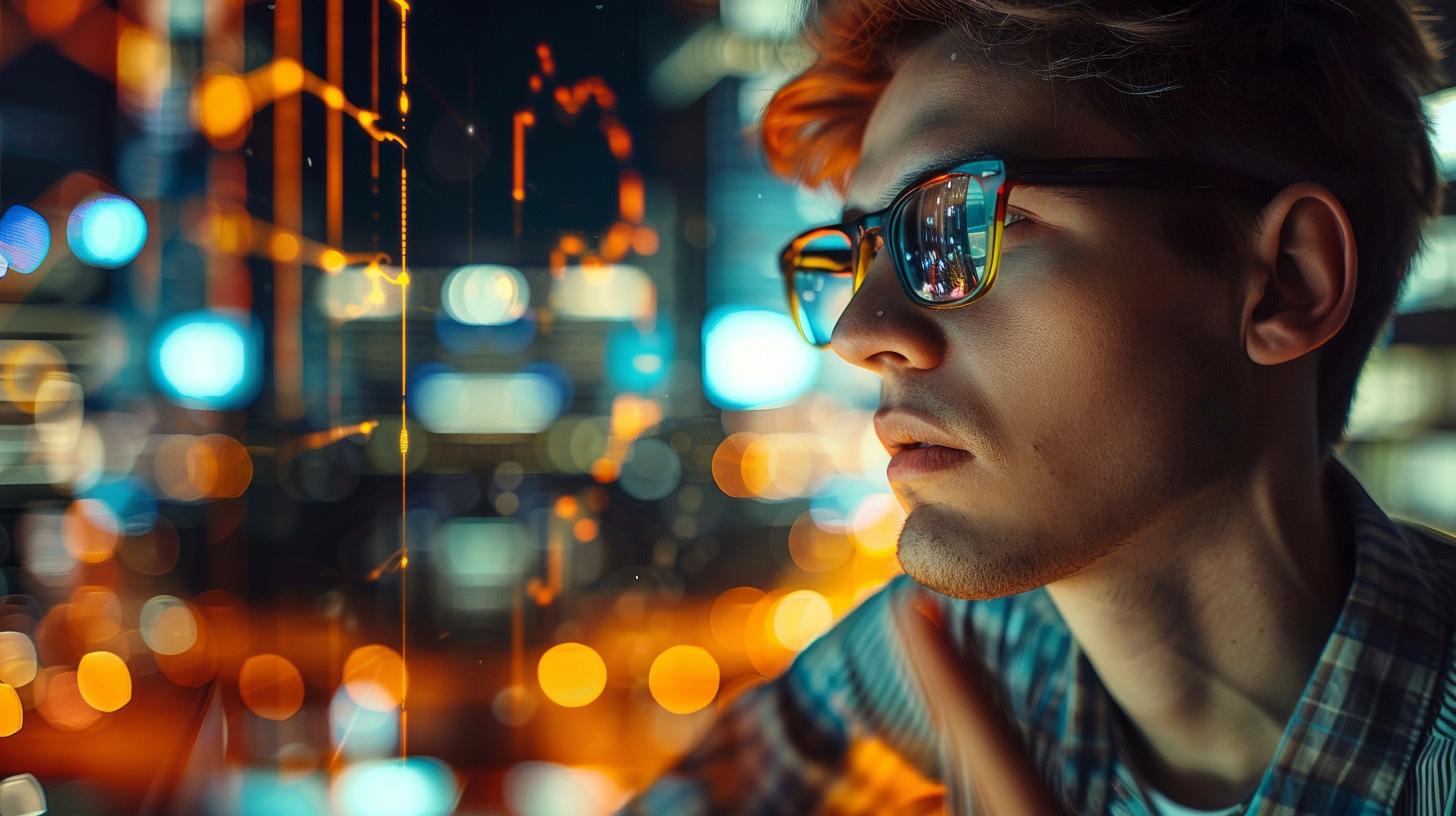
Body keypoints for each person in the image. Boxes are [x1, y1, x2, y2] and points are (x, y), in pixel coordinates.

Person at [624, 1, 1456, 813]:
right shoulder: (950, 655)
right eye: (860, 254)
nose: (858, 331)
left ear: (1286, 282)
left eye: (963, 226)